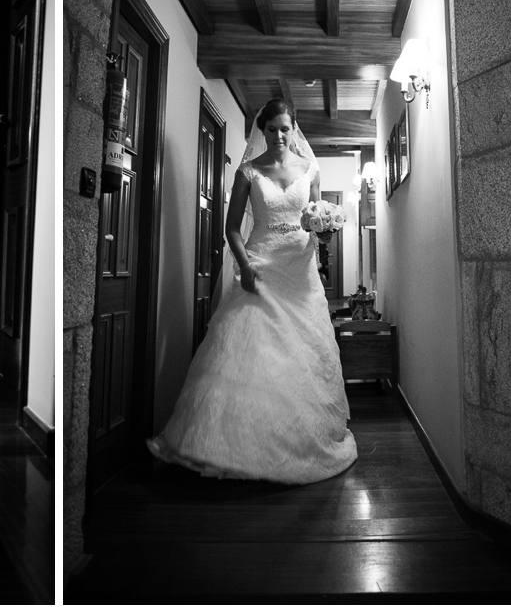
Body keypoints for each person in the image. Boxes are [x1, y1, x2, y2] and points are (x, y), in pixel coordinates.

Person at [147, 99, 357, 483]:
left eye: (284, 128)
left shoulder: (311, 169)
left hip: (300, 270)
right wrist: (244, 266)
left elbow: (315, 219)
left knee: (303, 353)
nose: (278, 135)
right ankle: (232, 444)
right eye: (271, 128)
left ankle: (298, 438)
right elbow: (231, 229)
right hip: (259, 265)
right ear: (263, 131)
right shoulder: (248, 171)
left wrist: (325, 229)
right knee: (250, 350)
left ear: (294, 130)